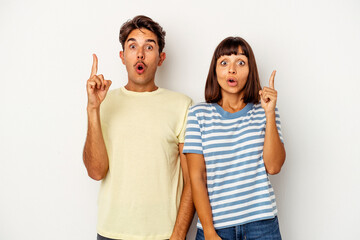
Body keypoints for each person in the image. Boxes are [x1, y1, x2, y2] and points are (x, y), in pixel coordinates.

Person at [83, 15, 194, 240]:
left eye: (149, 47)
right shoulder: (104, 102)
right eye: (132, 46)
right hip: (111, 232)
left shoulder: (182, 105)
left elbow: (192, 180)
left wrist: (179, 235)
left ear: (161, 58)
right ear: (123, 57)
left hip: (164, 235)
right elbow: (96, 172)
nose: (140, 53)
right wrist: (93, 109)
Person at [183, 36, 286, 240]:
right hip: (215, 227)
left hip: (262, 225)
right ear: (215, 71)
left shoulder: (264, 112)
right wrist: (210, 231)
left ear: (250, 70)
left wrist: (269, 113)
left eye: (240, 62)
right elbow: (197, 178)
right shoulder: (198, 115)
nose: (232, 69)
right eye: (224, 63)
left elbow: (273, 167)